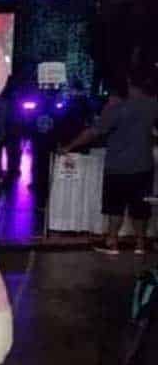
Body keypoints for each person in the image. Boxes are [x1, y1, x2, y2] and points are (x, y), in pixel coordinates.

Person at [61, 68, 158, 255]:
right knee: (140, 207)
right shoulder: (153, 105)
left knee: (115, 207)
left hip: (117, 167)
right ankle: (140, 244)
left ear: (128, 83)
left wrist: (69, 146)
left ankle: (112, 242)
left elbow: (94, 132)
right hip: (143, 166)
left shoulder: (117, 108)